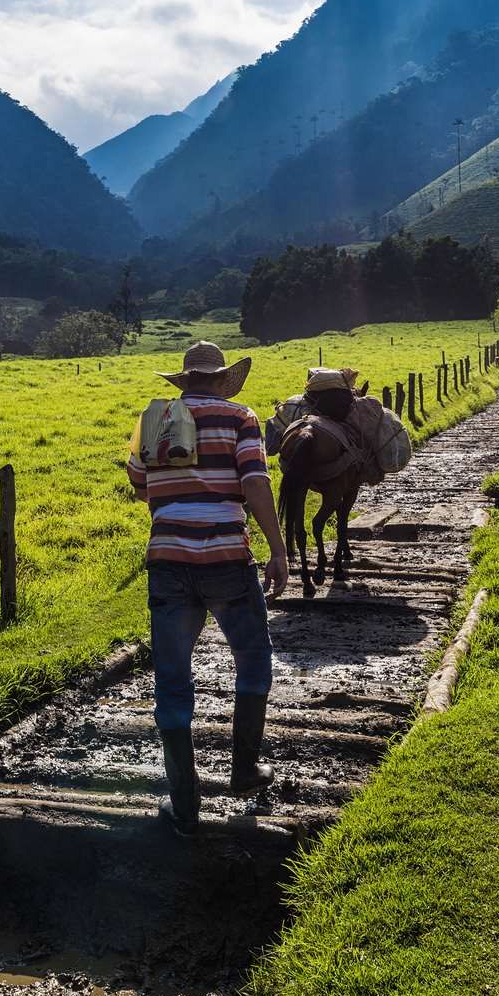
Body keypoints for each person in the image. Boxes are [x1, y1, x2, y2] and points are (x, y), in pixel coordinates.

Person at [127, 341, 290, 837]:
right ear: (221, 379)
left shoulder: (152, 419)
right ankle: (243, 772)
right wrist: (278, 549)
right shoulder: (241, 417)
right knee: (252, 656)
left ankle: (185, 804)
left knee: (173, 678)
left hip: (168, 561)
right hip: (225, 558)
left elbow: (138, 484)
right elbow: (256, 483)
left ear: (183, 380)